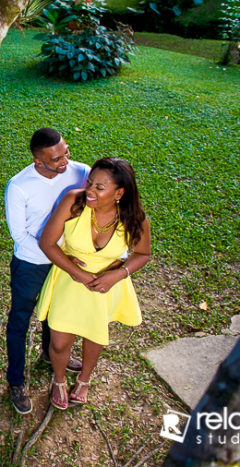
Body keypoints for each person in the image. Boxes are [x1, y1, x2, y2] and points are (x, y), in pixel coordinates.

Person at [37, 157, 151, 409]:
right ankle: (58, 380)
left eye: (100, 187)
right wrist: (76, 272)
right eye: (90, 183)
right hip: (69, 281)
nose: (90, 190)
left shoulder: (134, 217)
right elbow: (47, 243)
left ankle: (84, 379)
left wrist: (118, 274)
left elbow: (142, 254)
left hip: (105, 287)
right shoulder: (74, 202)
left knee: (94, 335)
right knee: (59, 341)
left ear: (119, 192)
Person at [4, 128, 90, 414]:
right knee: (20, 319)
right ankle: (16, 381)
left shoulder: (81, 172)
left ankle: (49, 356)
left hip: (67, 261)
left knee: (55, 315)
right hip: (31, 263)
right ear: (38, 161)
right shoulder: (18, 186)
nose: (64, 161)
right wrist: (58, 254)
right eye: (56, 158)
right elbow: (19, 235)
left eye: (66, 152)